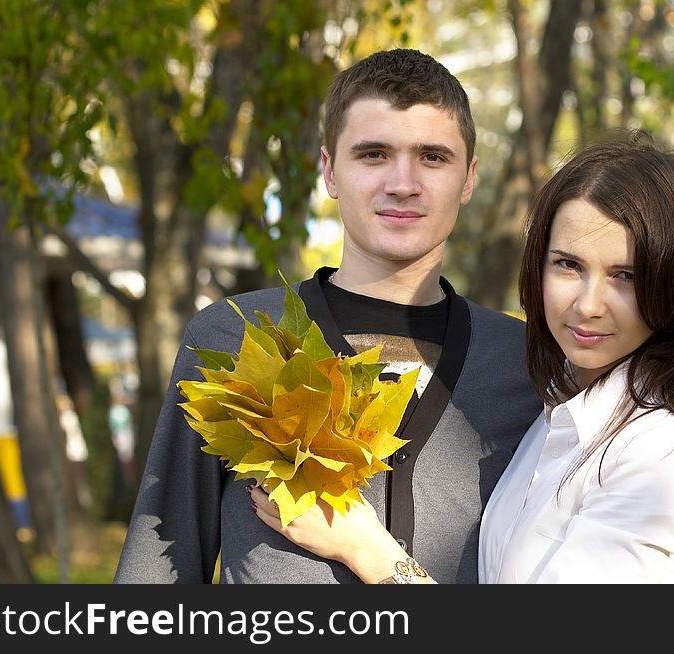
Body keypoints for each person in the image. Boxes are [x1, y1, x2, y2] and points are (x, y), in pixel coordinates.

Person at [114, 48, 544, 583]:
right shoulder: (237, 334)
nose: (403, 183)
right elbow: (160, 561)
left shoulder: (525, 363)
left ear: (469, 177)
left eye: (433, 157)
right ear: (329, 171)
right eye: (373, 154)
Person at [249, 131, 674, 584]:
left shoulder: (662, 453)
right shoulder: (555, 417)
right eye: (568, 265)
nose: (588, 305)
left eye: (626, 276)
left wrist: (369, 550)